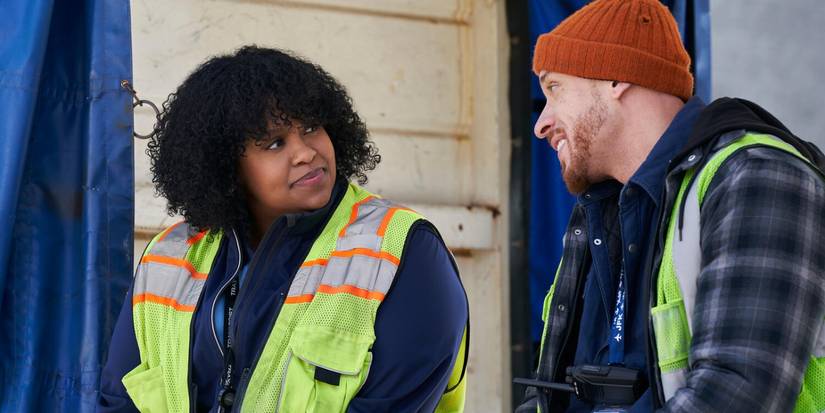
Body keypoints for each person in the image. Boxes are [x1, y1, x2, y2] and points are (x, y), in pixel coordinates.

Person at [98, 46, 469, 413]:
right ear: (226, 167)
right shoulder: (169, 255)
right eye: (275, 143)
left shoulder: (404, 248)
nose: (306, 152)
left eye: (311, 128)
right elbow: (119, 401)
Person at [517, 0, 825, 412]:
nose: (541, 124)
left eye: (555, 89)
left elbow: (735, 398)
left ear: (615, 78)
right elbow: (549, 396)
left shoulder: (757, 177)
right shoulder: (599, 213)